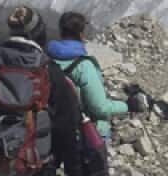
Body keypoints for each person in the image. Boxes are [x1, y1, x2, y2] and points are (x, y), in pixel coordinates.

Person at [0, 6, 84, 176]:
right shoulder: (48, 70)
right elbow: (68, 125)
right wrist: (74, 169)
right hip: (36, 163)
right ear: (39, 33)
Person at [49, 12, 147, 148]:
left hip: (55, 130)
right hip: (85, 135)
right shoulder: (84, 66)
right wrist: (129, 106)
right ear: (81, 34)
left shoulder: (47, 59)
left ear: (61, 31)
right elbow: (100, 108)